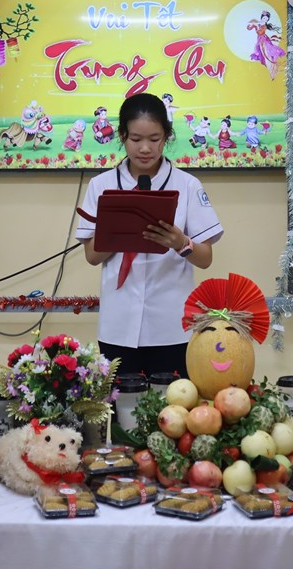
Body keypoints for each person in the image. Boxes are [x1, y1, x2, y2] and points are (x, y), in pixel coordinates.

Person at [75, 93, 222, 377]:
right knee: (118, 403)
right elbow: (92, 256)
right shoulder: (101, 185)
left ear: (166, 137)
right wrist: (120, 232)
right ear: (122, 136)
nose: (145, 148)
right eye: (135, 139)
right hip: (118, 325)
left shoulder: (187, 185)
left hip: (171, 326)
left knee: (174, 403)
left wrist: (180, 243)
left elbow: (205, 259)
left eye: (154, 139)